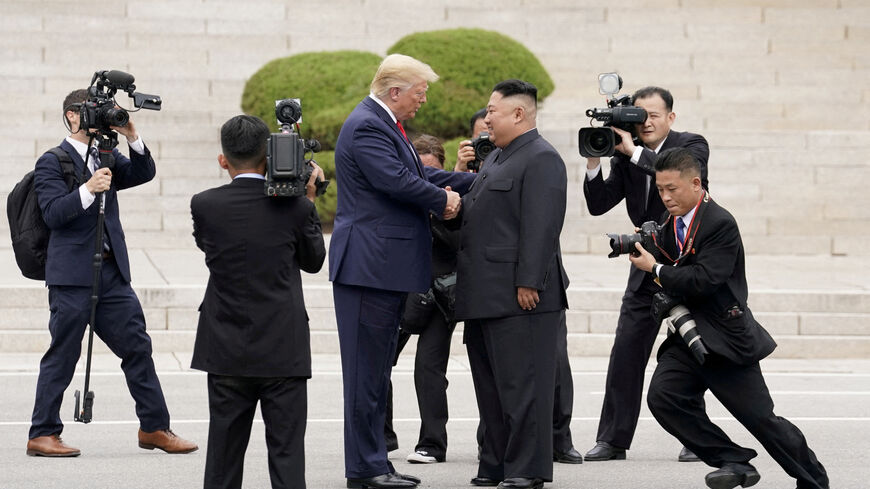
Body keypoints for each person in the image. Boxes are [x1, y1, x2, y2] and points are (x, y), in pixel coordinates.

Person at [628, 147, 829, 489]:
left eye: (671, 189)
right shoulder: (669, 222)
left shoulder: (720, 222)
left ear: (695, 183)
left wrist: (656, 268)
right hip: (687, 334)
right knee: (664, 398)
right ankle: (732, 459)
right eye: (660, 189)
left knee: (762, 421)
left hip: (725, 337)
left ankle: (814, 481)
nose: (665, 197)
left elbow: (705, 279)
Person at [329, 54, 476, 489]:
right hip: (368, 267)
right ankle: (366, 469)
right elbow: (396, 181)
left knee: (374, 374)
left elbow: (421, 174)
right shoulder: (368, 125)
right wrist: (445, 201)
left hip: (381, 267)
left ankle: (375, 462)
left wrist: (479, 181)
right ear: (395, 92)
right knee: (365, 375)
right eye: (419, 92)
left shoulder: (384, 123)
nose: (423, 100)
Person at [27, 89, 197, 457]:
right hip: (71, 276)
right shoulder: (51, 161)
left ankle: (154, 427)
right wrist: (88, 189)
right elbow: (53, 214)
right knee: (63, 353)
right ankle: (42, 432)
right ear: (73, 116)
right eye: (91, 112)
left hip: (111, 274)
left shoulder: (106, 155)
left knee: (138, 347)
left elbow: (143, 173)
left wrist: (132, 136)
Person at [190, 115, 326, 489]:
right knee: (286, 454)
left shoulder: (204, 204)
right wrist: (307, 199)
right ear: (269, 156)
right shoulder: (296, 207)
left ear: (223, 159)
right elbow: (313, 262)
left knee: (223, 455)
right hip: (284, 347)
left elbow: (208, 248)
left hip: (225, 345)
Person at [582, 86, 709, 463]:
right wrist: (595, 156)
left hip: (688, 259)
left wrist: (633, 151)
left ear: (670, 117)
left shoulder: (691, 144)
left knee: (693, 350)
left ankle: (696, 438)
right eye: (640, 115)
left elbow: (672, 169)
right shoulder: (626, 153)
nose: (646, 122)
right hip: (644, 259)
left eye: (653, 115)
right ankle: (613, 439)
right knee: (626, 349)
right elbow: (598, 204)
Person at [453, 79, 569, 489]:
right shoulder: (498, 159)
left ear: (518, 114)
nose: (486, 119)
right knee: (493, 391)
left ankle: (526, 470)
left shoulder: (541, 157)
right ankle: (495, 464)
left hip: (521, 296)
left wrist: (528, 281)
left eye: (492, 111)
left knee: (524, 390)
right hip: (483, 295)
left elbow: (542, 226)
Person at [382, 134, 462, 465]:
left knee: (428, 369)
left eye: (433, 172)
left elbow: (462, 243)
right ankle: (381, 436)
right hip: (400, 293)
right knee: (378, 363)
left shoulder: (454, 200)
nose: (426, 179)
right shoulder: (397, 195)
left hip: (440, 296)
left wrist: (441, 212)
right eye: (420, 172)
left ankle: (432, 443)